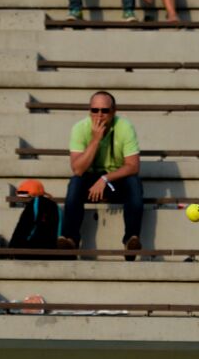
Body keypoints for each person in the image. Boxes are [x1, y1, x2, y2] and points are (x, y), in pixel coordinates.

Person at [58, 91, 144, 257]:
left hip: (114, 182)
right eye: (94, 110)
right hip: (90, 183)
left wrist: (105, 179)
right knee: (76, 181)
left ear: (114, 111)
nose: (99, 115)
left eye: (104, 110)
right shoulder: (80, 128)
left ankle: (131, 239)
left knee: (133, 182)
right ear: (89, 111)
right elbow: (78, 169)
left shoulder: (125, 127)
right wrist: (95, 140)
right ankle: (70, 239)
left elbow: (133, 166)